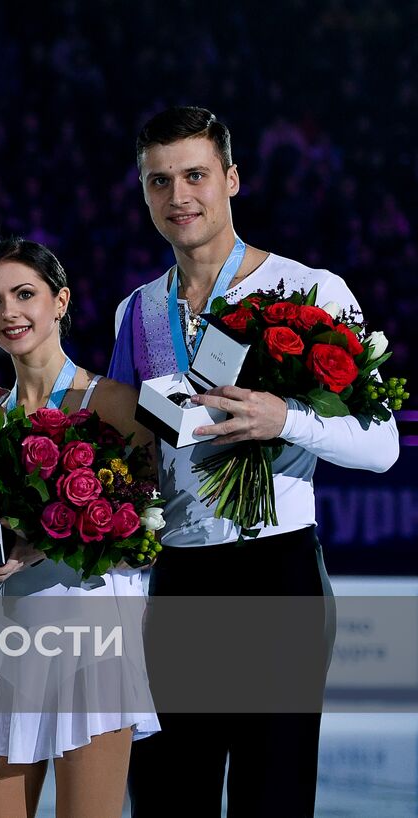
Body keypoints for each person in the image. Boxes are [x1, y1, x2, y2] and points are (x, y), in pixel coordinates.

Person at [109, 106, 400, 817]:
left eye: (196, 175)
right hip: (176, 579)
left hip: (277, 574)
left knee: (273, 797)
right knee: (169, 797)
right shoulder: (136, 313)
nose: (179, 195)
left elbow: (383, 444)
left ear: (232, 179)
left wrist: (286, 419)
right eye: (160, 181)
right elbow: (127, 452)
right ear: (144, 193)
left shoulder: (312, 290)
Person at [0, 238, 159, 818]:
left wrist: (34, 545)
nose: (8, 313)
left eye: (24, 295)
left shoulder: (116, 402)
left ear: (60, 300)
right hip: (3, 644)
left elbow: (144, 527)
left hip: (93, 644)